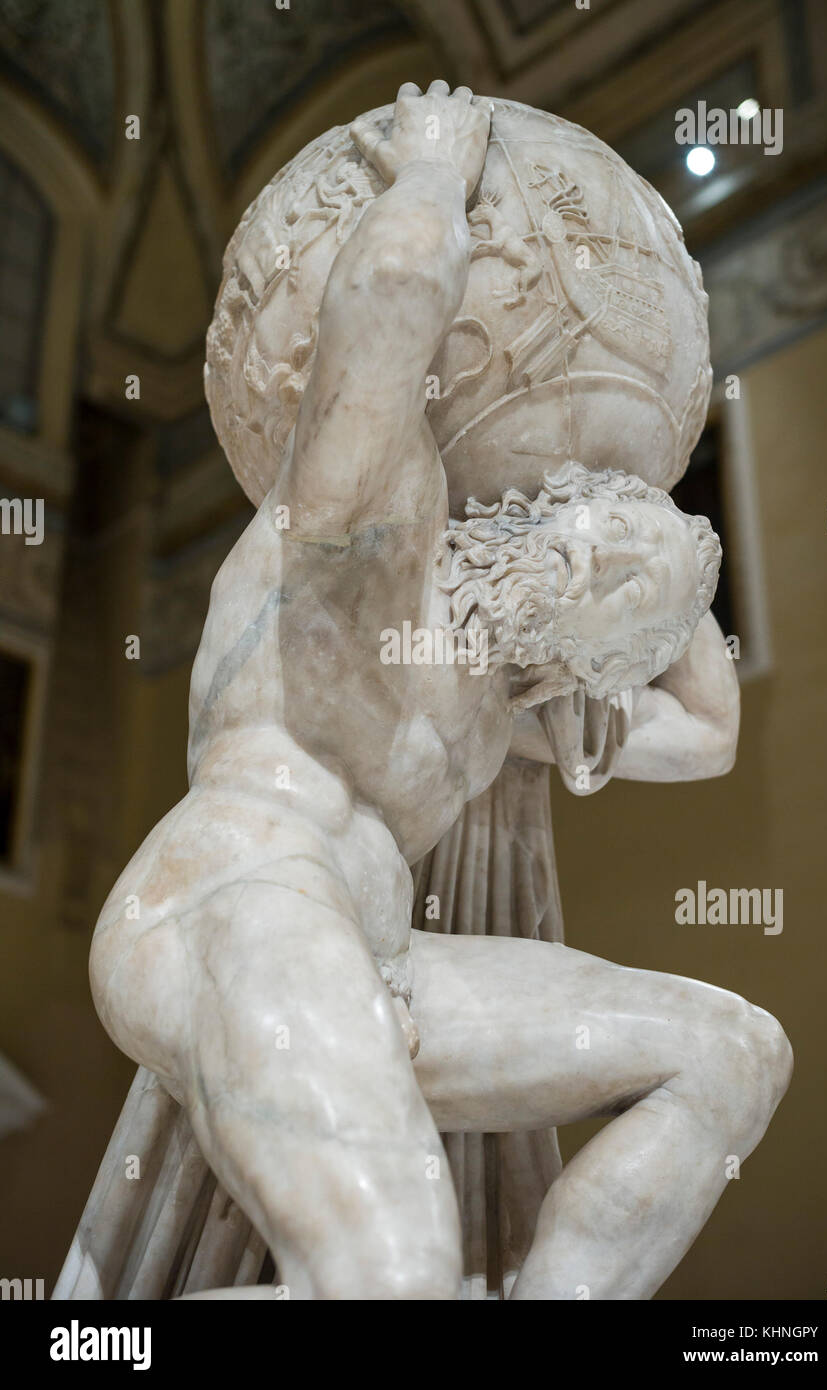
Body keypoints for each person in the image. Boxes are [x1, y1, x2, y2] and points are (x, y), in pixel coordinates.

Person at [89, 82, 791, 1300]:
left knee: (731, 1052)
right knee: (395, 1267)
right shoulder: (364, 538)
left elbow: (709, 733)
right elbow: (385, 318)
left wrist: (657, 510)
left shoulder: (500, 699)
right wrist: (430, 171)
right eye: (610, 584)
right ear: (538, 524)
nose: (607, 654)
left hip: (384, 964)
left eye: (621, 628)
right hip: (233, 903)